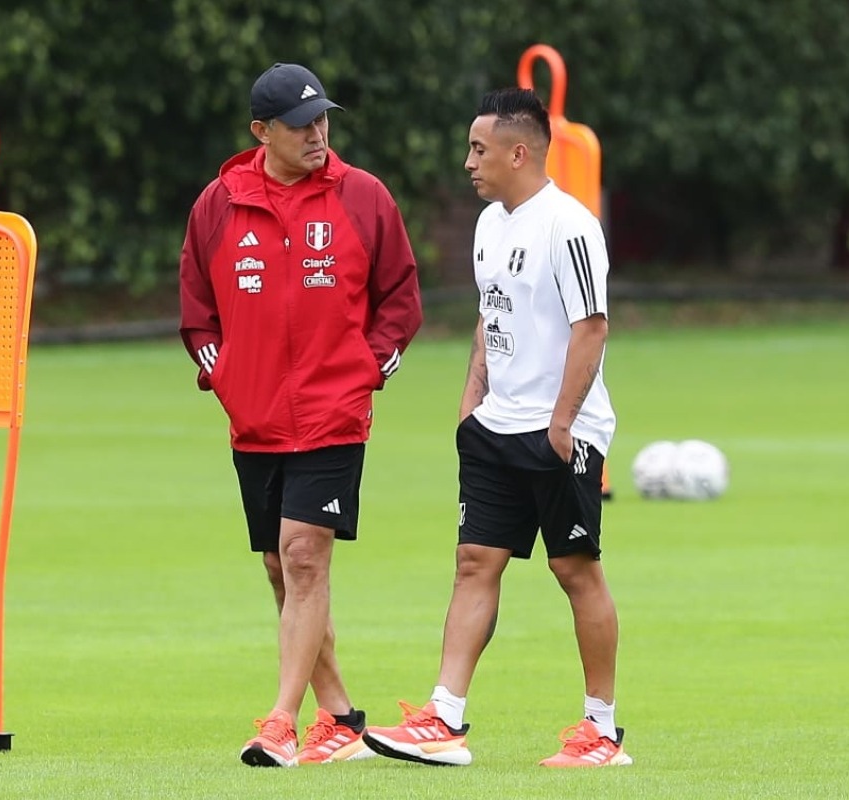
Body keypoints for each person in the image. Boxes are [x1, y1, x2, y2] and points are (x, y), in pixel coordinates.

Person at [363, 87, 630, 768]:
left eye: (479, 150)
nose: (468, 163)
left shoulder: (567, 226)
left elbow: (590, 327)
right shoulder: (489, 225)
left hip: (558, 433)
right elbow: (491, 318)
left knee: (576, 571)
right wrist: (470, 402)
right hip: (493, 429)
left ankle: (601, 731)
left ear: (520, 152)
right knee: (474, 562)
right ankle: (444, 717)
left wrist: (563, 422)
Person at [178, 62, 422, 767]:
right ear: (262, 131)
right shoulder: (217, 205)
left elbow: (400, 299)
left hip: (332, 412)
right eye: (300, 124)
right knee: (281, 570)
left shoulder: (364, 196)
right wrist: (226, 379)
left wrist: (366, 370)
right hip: (254, 418)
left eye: (323, 119)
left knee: (305, 556)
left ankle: (280, 723)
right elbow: (198, 315)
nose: (318, 134)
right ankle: (342, 719)